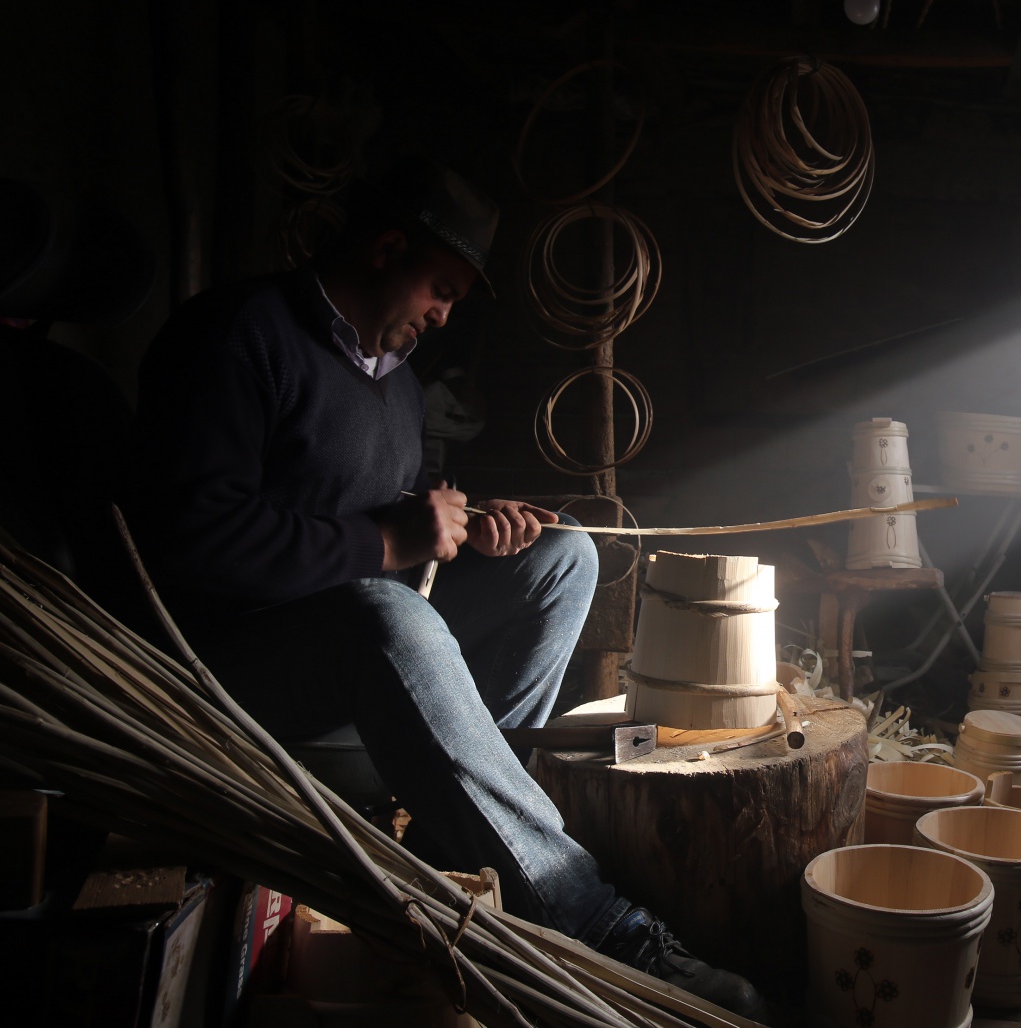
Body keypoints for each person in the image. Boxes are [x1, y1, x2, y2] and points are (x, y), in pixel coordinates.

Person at [126, 158, 766, 1017]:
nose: (445, 314)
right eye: (441, 287)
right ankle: (586, 914)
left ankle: (459, 837)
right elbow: (195, 540)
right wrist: (391, 539)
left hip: (358, 645)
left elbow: (388, 529)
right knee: (386, 615)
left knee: (561, 558)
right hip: (234, 668)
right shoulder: (241, 334)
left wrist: (465, 534)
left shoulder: (396, 394)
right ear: (387, 249)